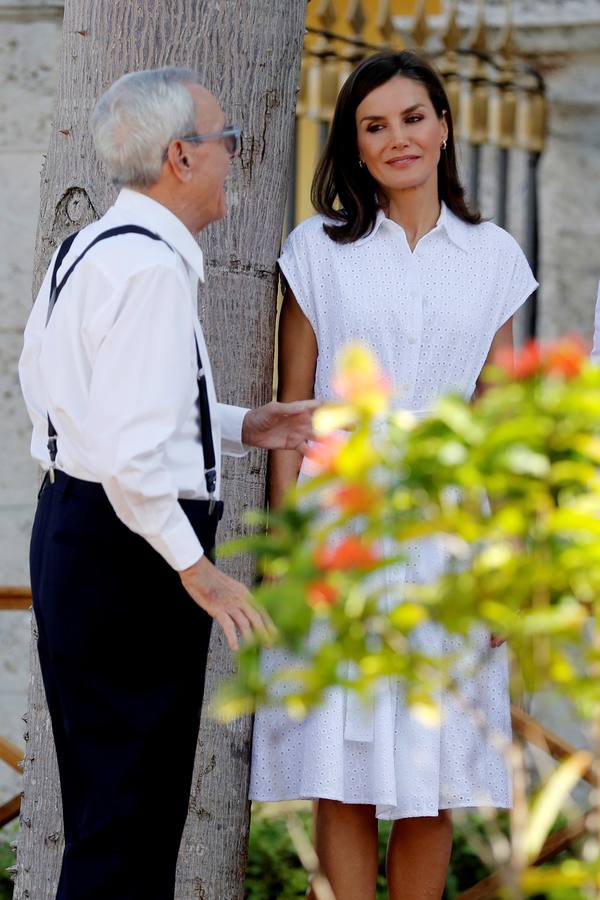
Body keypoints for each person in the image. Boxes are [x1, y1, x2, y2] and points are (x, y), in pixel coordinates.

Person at [19, 67, 316, 900]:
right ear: (182, 156)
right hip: (129, 553)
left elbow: (67, 397)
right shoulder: (150, 268)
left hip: (81, 533)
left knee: (110, 816)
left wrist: (243, 425)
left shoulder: (95, 245)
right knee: (131, 826)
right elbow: (131, 456)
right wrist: (198, 569)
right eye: (229, 142)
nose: (236, 158)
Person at [250, 50, 538, 900]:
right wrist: (286, 555)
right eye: (374, 126)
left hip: (449, 528)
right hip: (341, 523)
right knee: (342, 762)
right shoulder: (317, 251)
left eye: (413, 118)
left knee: (431, 763)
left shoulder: (492, 255)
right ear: (355, 146)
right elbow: (290, 412)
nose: (398, 138)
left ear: (444, 127)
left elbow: (498, 417)